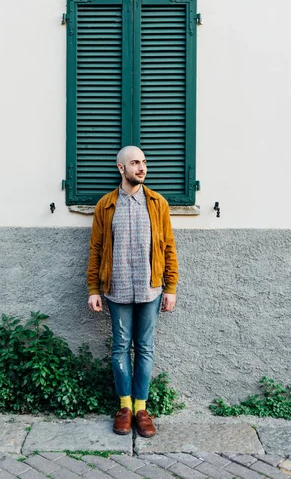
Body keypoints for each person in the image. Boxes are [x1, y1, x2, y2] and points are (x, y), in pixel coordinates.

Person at [87, 145, 178, 438]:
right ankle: (124, 407)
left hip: (151, 289)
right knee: (120, 347)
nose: (142, 167)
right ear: (121, 168)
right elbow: (96, 249)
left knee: (146, 348)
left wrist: (171, 286)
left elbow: (168, 247)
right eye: (135, 163)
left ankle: (141, 408)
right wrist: (93, 288)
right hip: (117, 290)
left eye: (144, 162)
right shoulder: (106, 205)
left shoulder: (157, 203)